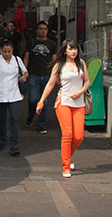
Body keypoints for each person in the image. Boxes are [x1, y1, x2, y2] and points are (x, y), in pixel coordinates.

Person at [36, 39, 90, 178]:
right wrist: (41, 102)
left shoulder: (82, 64)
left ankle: (68, 156)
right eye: (70, 49)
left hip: (79, 104)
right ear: (64, 50)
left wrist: (80, 91)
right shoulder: (59, 65)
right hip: (63, 102)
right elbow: (50, 84)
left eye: (75, 49)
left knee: (79, 136)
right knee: (67, 134)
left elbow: (87, 81)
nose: (73, 52)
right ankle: (66, 166)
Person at [0, 39, 29, 156]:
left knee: (14, 119)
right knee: (2, 119)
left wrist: (24, 77)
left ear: (12, 50)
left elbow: (25, 72)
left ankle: (14, 144)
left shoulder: (17, 60)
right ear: (1, 51)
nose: (7, 54)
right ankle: (3, 140)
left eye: (9, 51)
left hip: (14, 94)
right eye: (5, 51)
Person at [23, 21, 57, 133]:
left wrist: (54, 72)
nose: (42, 30)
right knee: (33, 100)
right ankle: (30, 116)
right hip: (34, 75)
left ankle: (41, 123)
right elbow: (26, 57)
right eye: (40, 28)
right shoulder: (31, 42)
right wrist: (24, 71)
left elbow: (55, 59)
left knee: (45, 102)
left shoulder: (52, 44)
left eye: (44, 29)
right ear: (37, 30)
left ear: (47, 31)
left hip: (47, 75)